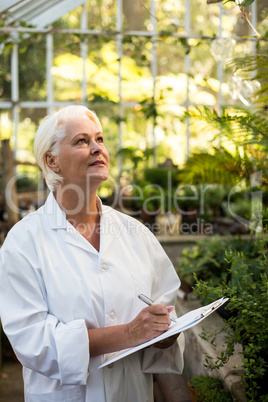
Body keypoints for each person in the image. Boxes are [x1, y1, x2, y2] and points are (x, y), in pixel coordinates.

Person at [0, 105, 184, 402]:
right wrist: (129, 333)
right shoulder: (24, 243)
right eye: (82, 141)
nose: (97, 148)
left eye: (99, 139)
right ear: (52, 161)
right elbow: (33, 341)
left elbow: (166, 311)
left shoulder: (136, 233)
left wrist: (166, 334)